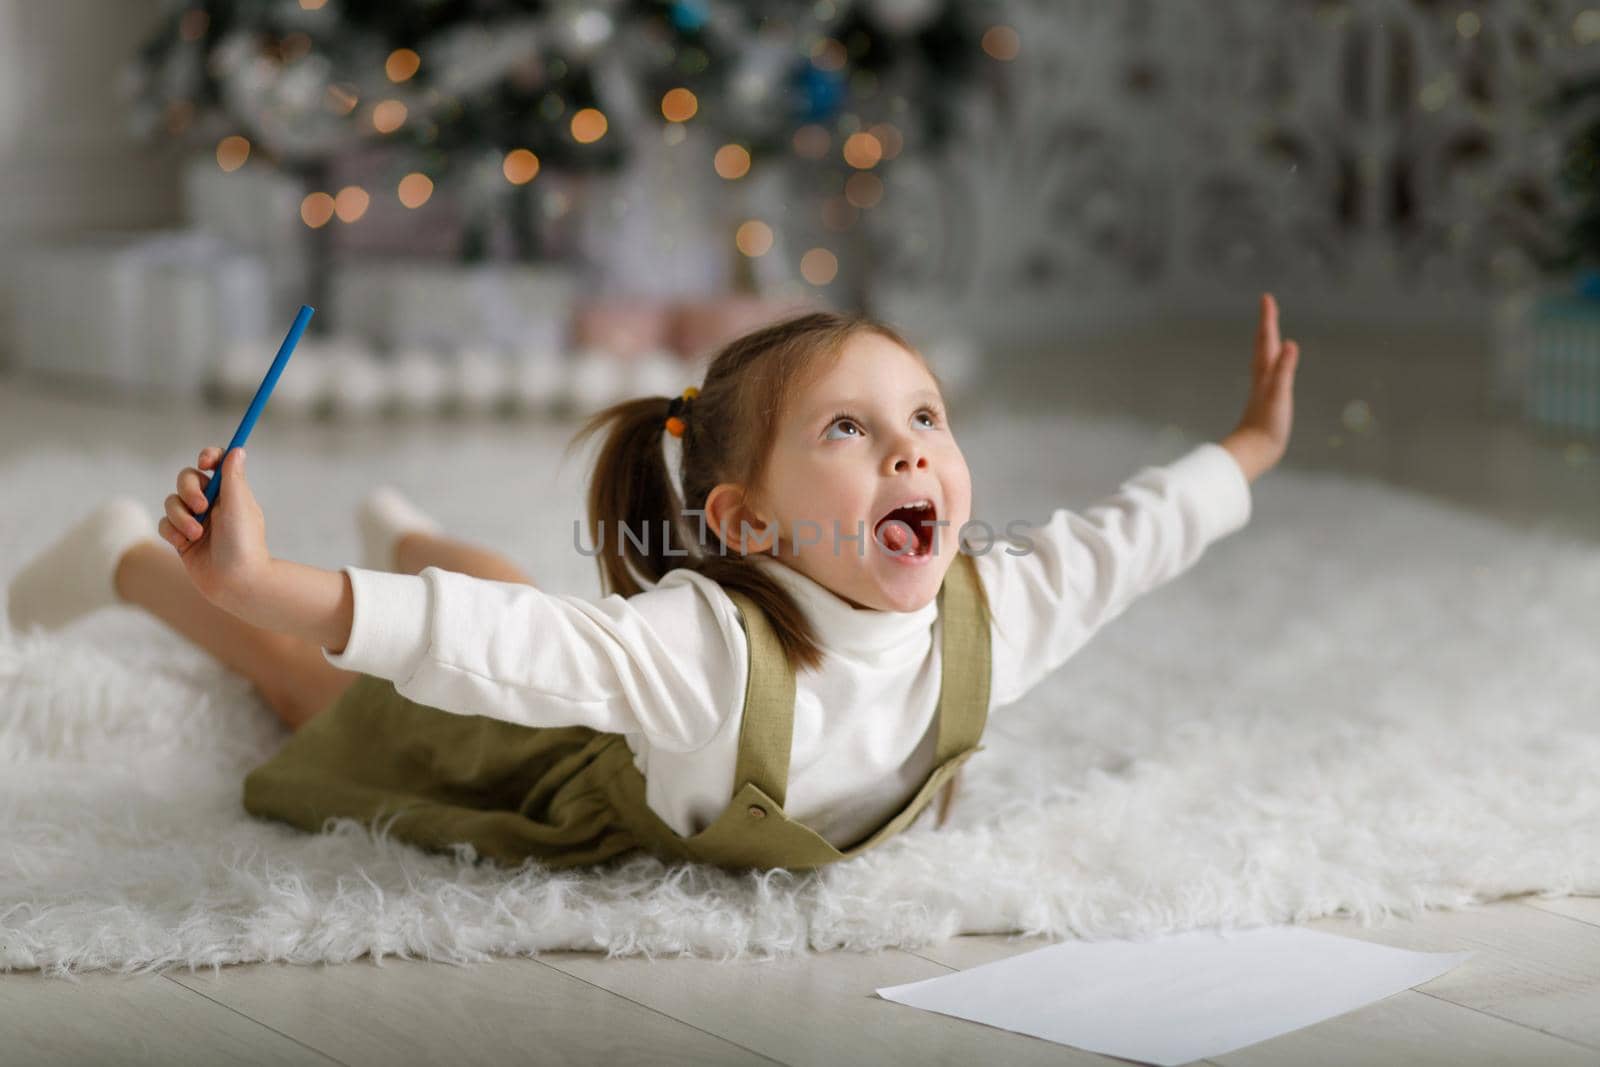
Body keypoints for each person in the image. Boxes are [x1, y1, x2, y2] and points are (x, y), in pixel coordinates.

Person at [5, 299, 1300, 871]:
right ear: (739, 522)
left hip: (597, 671)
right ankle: (128, 557)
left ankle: (412, 527)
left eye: (925, 415)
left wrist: (1246, 449)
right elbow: (483, 643)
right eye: (849, 431)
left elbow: (1132, 536)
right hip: (555, 761)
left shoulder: (996, 608)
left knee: (519, 600)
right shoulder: (704, 654)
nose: (910, 446)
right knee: (316, 691)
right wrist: (252, 576)